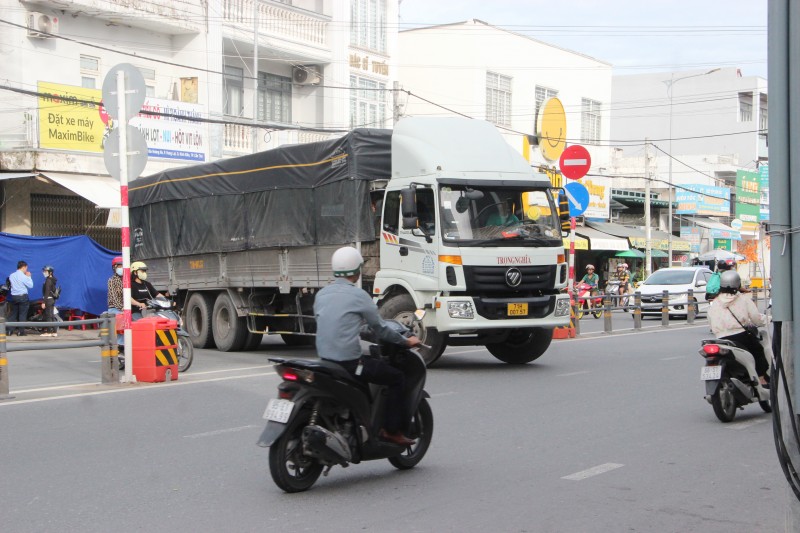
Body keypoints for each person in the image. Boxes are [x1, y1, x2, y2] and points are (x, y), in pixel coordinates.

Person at [314, 246, 421, 446]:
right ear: (357, 270)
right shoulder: (359, 296)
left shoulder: (322, 295)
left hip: (325, 362)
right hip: (350, 363)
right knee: (396, 377)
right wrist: (406, 341)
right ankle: (391, 431)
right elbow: (380, 328)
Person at [707, 270, 769, 387]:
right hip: (739, 336)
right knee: (758, 351)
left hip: (719, 339)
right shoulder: (742, 299)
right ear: (738, 284)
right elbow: (755, 318)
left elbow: (710, 321)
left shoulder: (715, 302)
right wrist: (764, 321)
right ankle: (761, 379)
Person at [8, 260, 33, 336]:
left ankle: (9, 331)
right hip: (22, 296)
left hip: (14, 297)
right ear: (23, 267)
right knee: (22, 314)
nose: (26, 270)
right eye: (26, 268)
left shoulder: (11, 275)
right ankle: (20, 332)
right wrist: (29, 277)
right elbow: (31, 285)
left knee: (13, 314)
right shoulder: (23, 276)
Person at [107, 257, 124, 348]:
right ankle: (118, 349)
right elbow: (114, 297)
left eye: (123, 266)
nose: (121, 268)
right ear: (114, 267)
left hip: (126, 310)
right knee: (119, 331)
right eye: (119, 266)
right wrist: (122, 308)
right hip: (115, 309)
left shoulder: (126, 280)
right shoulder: (112, 280)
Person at [40, 265, 59, 337]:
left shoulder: (48, 280)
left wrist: (43, 302)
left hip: (48, 299)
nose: (44, 272)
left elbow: (47, 292)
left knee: (48, 316)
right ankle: (54, 331)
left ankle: (48, 332)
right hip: (52, 300)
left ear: (50, 272)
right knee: (51, 316)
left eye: (45, 271)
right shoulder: (52, 279)